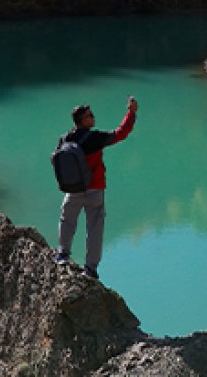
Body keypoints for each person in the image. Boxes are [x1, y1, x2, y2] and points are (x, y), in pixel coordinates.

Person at [55, 96, 138, 280]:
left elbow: (56, 160)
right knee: (94, 229)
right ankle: (90, 269)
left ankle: (62, 254)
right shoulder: (95, 138)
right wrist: (131, 113)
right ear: (82, 121)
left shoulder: (65, 138)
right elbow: (120, 133)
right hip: (94, 189)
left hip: (73, 190)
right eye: (90, 116)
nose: (93, 117)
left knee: (67, 221)